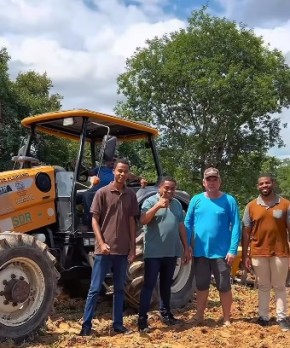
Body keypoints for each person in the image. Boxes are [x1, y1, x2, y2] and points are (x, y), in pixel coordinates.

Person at [79, 158, 139, 336]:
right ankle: (86, 326)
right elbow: (94, 220)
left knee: (120, 289)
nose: (122, 174)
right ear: (114, 171)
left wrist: (133, 247)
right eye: (119, 170)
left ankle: (118, 325)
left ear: (128, 174)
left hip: (122, 250)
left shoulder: (131, 195)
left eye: (125, 171)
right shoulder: (102, 193)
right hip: (103, 250)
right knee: (95, 288)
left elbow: (131, 221)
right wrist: (102, 242)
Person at [184, 167, 240, 326]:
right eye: (209, 179)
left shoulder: (229, 200)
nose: (212, 182)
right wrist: (187, 245)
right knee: (201, 285)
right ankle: (200, 315)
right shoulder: (196, 200)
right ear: (203, 182)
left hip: (222, 253)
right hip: (200, 251)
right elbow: (188, 223)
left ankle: (227, 317)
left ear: (220, 181)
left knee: (224, 286)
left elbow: (236, 225)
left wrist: (233, 249)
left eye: (215, 179)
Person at [137, 176, 191, 332]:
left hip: (171, 252)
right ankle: (142, 319)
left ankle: (166, 313)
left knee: (166, 285)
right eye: (166, 188)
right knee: (148, 285)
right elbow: (143, 220)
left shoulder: (177, 204)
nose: (169, 191)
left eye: (172, 188)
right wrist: (157, 206)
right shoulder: (149, 201)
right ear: (159, 188)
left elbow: (181, 226)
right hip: (153, 253)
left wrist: (186, 247)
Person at [242, 173, 290, 331]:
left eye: (267, 183)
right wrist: (245, 256)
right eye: (261, 184)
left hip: (280, 252)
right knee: (263, 286)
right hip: (258, 252)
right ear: (258, 186)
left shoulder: (285, 204)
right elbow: (246, 232)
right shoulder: (251, 206)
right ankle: (263, 316)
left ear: (273, 184)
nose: (264, 186)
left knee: (279, 286)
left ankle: (282, 317)